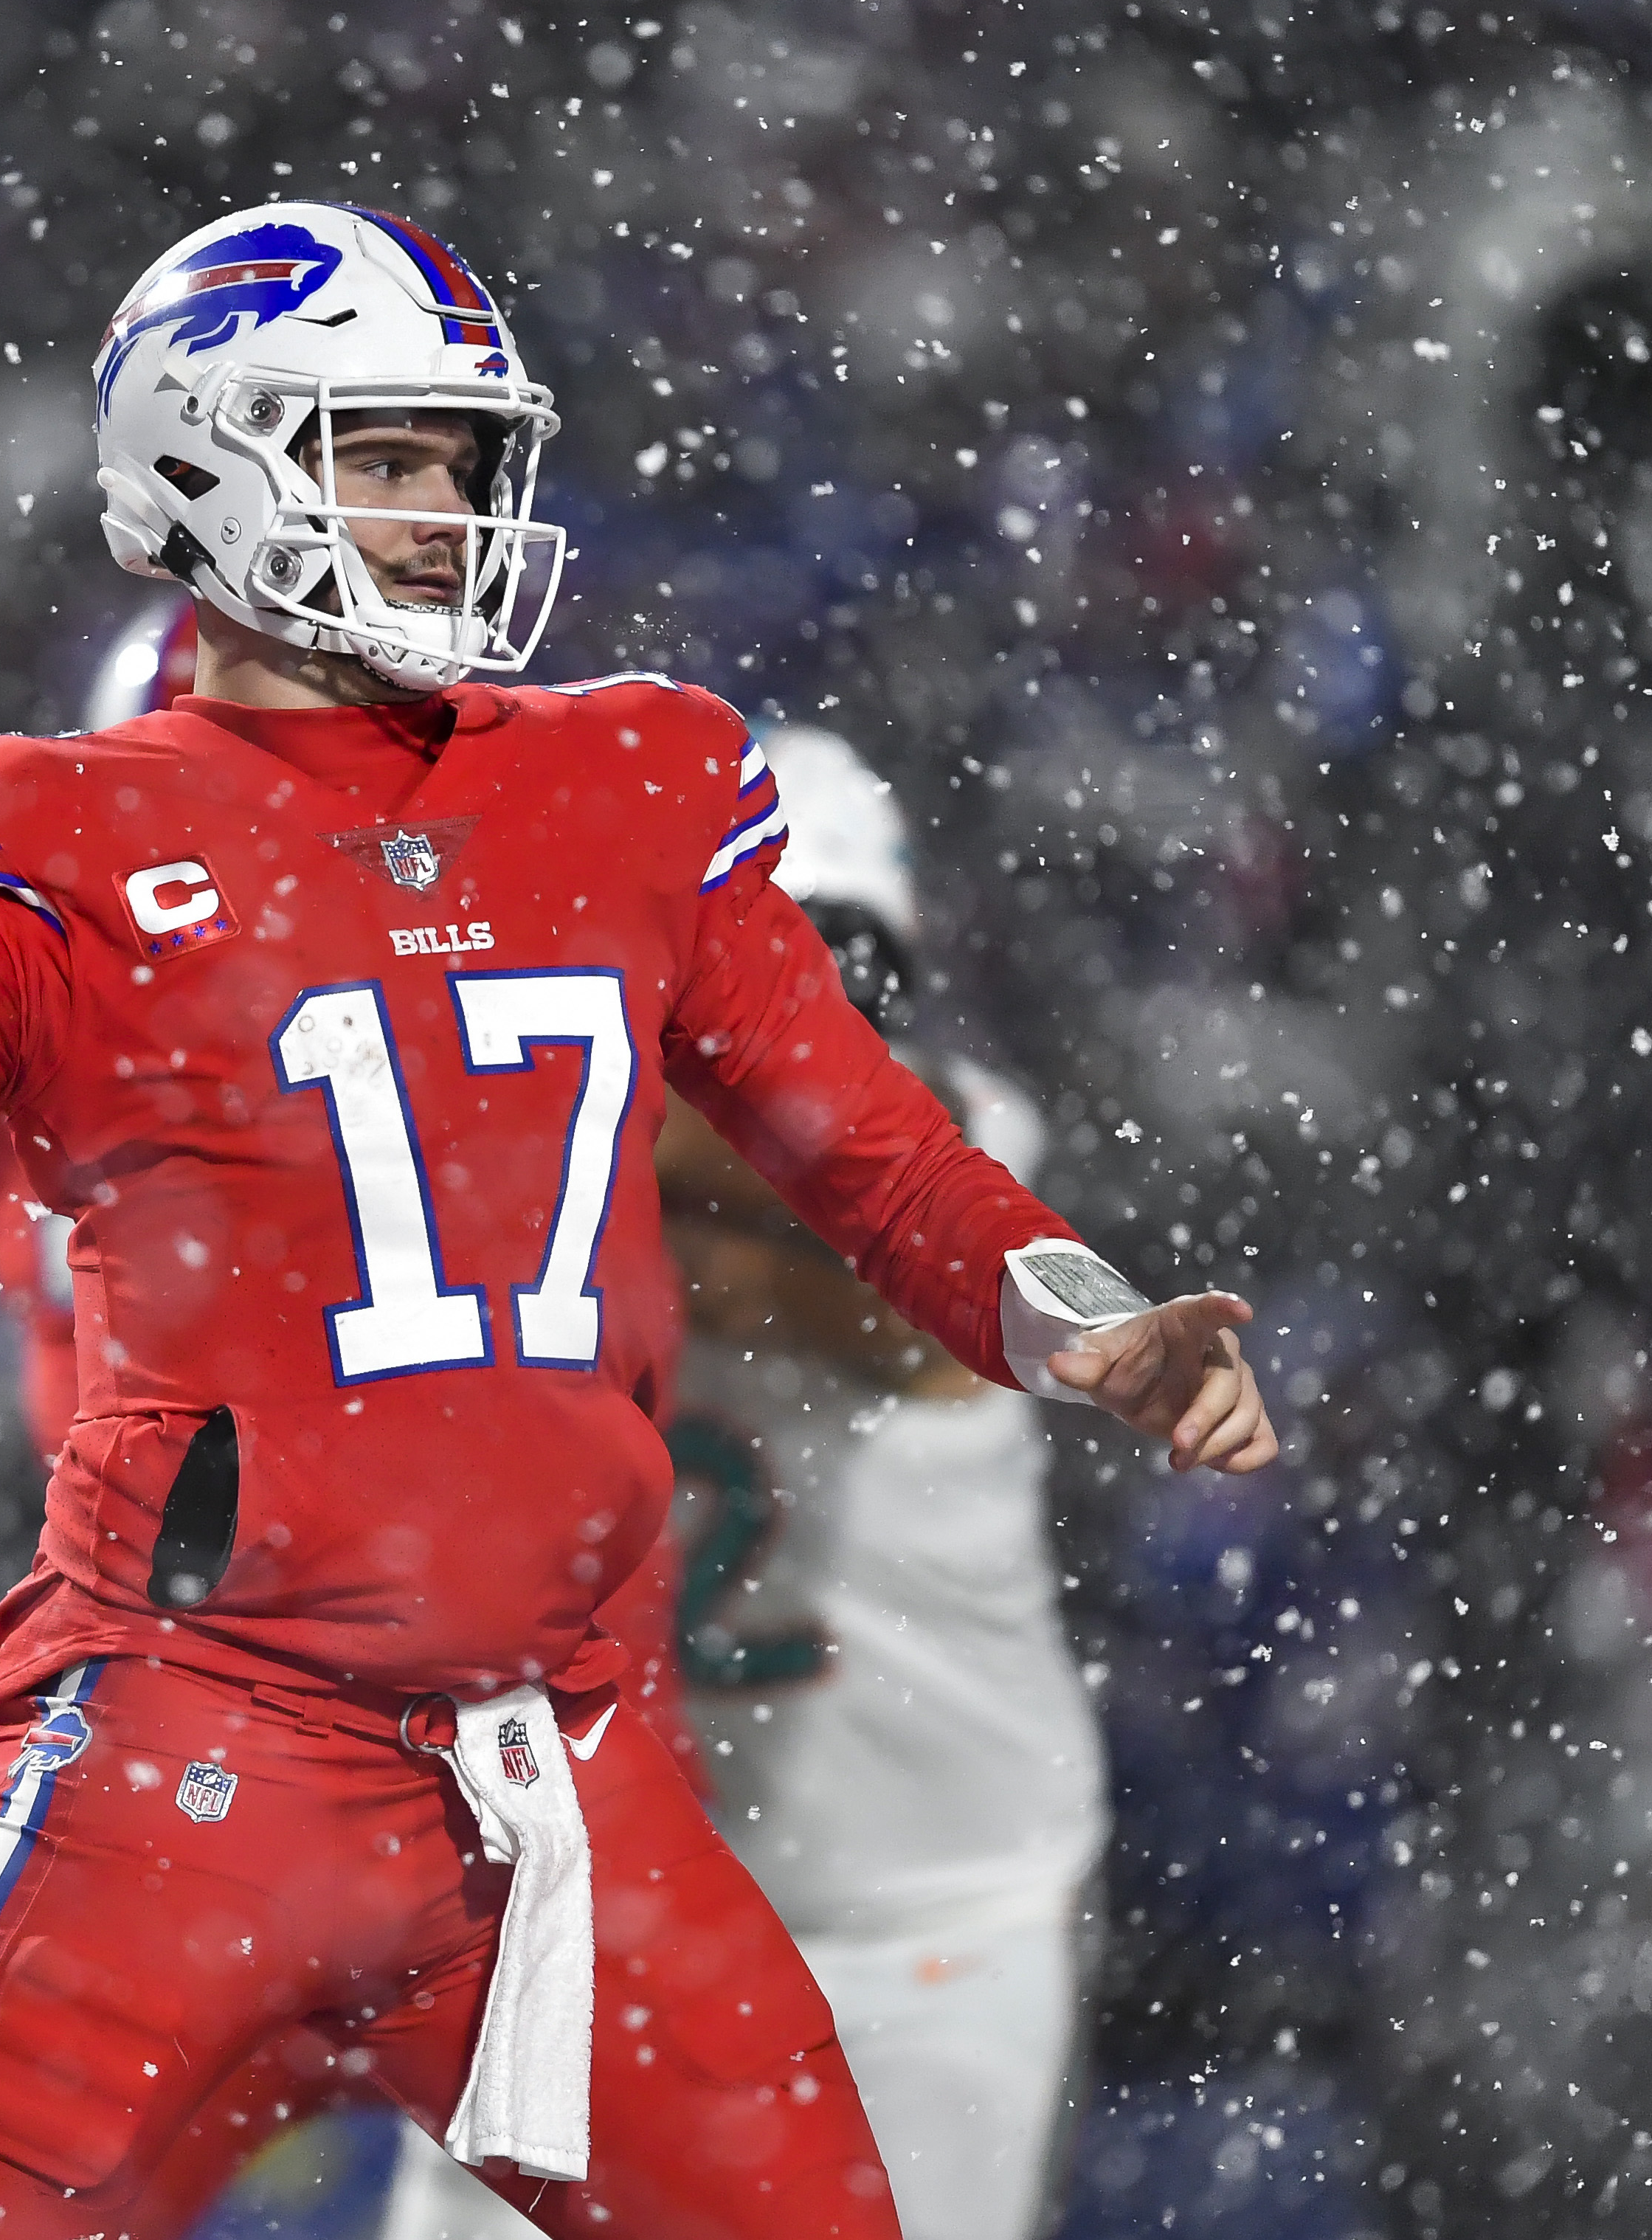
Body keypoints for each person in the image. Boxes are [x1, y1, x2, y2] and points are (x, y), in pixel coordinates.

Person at [0, 201, 1276, 2238]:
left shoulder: (629, 779)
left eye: (457, 464)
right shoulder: (57, 829)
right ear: (207, 450)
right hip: (199, 1761)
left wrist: (1082, 1320)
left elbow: (881, 1158)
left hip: (554, 1767)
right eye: (381, 456)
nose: (435, 511)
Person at [380, 725, 1110, 2240]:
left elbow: (826, 1254)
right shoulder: (528, 1131)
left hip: (917, 1923)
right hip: (585, 1911)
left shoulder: (956, 1152)